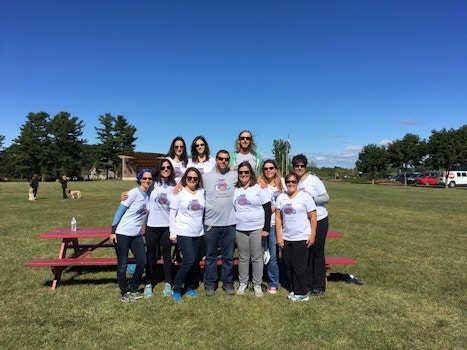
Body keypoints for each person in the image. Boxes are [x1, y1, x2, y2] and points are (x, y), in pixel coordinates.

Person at [110, 168, 153, 303]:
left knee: (142, 261)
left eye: (149, 179)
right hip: (122, 233)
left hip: (136, 234)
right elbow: (119, 211)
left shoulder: (149, 195)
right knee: (122, 265)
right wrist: (113, 231)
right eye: (144, 178)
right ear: (140, 179)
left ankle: (134, 289)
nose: (147, 181)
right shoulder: (133, 193)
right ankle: (124, 292)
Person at [292, 154, 330, 296]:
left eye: (302, 166)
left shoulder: (314, 180)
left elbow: (326, 198)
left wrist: (311, 198)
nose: (299, 168)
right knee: (305, 253)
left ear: (305, 167)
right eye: (297, 166)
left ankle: (319, 285)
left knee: (318, 253)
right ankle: (307, 282)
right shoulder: (292, 181)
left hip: (319, 219)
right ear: (293, 167)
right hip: (303, 222)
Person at [275, 173, 317, 302]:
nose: (291, 184)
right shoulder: (281, 197)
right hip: (287, 237)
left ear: (297, 183)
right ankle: (293, 289)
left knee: (299, 266)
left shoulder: (305, 197)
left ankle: (302, 293)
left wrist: (313, 235)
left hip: (302, 237)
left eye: (293, 181)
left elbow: (314, 216)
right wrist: (279, 236)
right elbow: (278, 218)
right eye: (288, 182)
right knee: (288, 265)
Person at [202, 149, 238, 296]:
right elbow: (188, 184)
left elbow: (250, 177)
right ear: (216, 160)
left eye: (226, 159)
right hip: (211, 223)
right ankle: (210, 283)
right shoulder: (206, 177)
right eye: (221, 159)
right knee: (210, 256)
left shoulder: (234, 175)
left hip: (229, 223)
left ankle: (227, 283)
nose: (223, 161)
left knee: (228, 256)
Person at [233, 161, 271, 297]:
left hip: (256, 227)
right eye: (241, 172)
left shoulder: (259, 187)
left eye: (246, 172)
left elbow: (267, 208)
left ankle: (257, 284)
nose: (243, 174)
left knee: (256, 257)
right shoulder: (235, 189)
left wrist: (266, 228)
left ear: (251, 173)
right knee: (243, 257)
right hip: (240, 228)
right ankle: (243, 283)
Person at [169, 167, 205, 301]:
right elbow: (172, 213)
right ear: (185, 178)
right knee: (188, 259)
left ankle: (189, 287)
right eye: (189, 178)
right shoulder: (179, 192)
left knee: (194, 261)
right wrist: (173, 233)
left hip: (198, 232)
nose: (192, 180)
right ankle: (177, 288)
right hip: (183, 231)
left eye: (195, 178)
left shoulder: (202, 192)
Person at [143, 158, 177, 299]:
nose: (165, 170)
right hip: (151, 226)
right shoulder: (153, 184)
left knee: (167, 255)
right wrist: (126, 195)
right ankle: (149, 282)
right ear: (159, 169)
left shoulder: (174, 185)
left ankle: (168, 283)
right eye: (163, 168)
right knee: (150, 255)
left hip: (166, 226)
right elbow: (140, 189)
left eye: (168, 168)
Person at [260, 159, 284, 294]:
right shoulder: (261, 184)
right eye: (266, 168)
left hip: (282, 224)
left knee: (279, 254)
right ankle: (271, 281)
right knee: (269, 254)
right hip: (266, 225)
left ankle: (280, 280)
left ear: (276, 169)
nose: (268, 170)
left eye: (271, 168)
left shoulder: (283, 185)